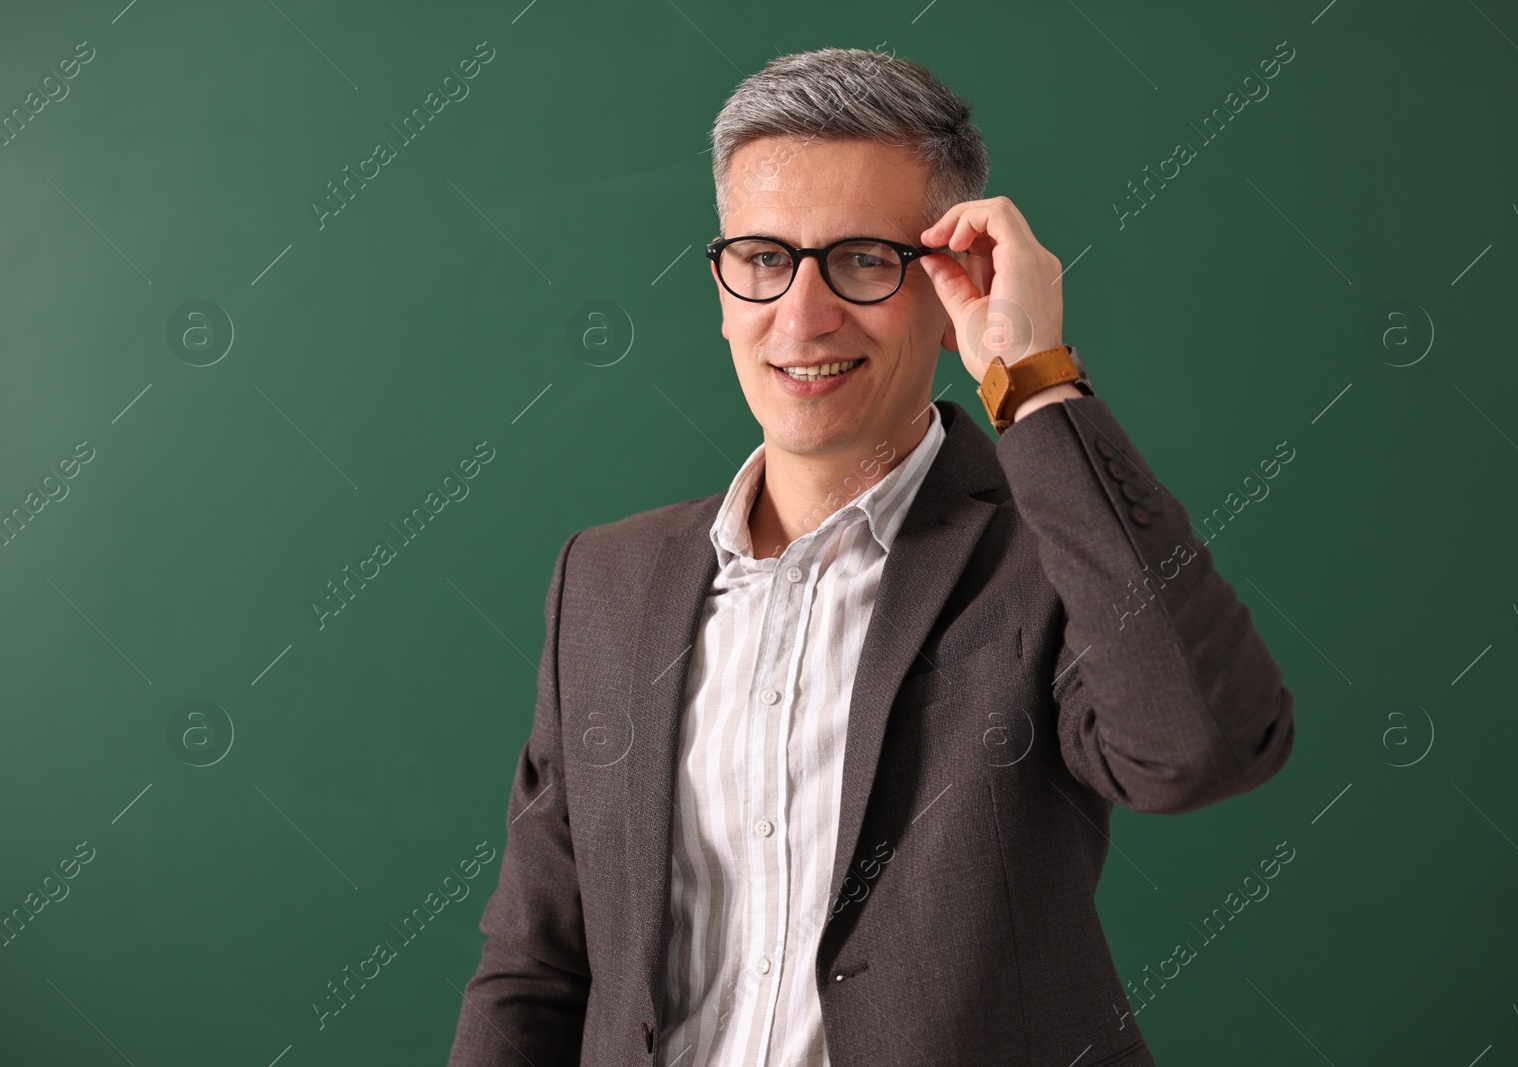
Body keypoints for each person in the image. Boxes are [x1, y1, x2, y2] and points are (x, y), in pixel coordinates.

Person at [447, 47, 1294, 1067]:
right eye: (764, 259)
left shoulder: (1051, 556)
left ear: (948, 290)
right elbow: (536, 963)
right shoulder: (606, 578)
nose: (801, 317)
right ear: (721, 287)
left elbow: (1202, 744)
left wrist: (1028, 376)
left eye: (861, 259)